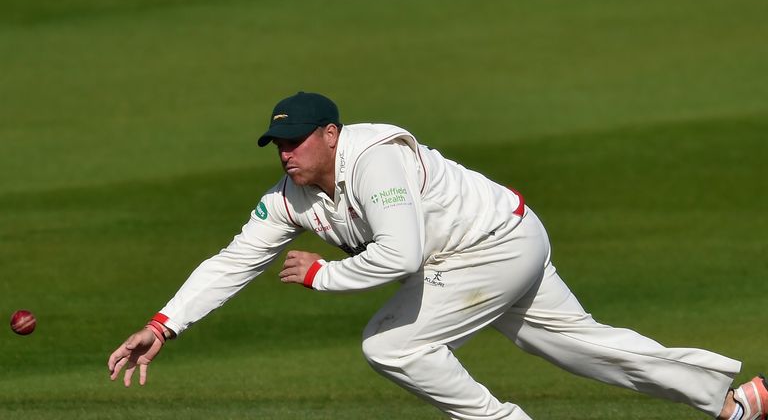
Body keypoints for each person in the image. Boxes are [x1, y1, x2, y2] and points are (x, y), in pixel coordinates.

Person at [108, 91, 766, 420]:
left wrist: (324, 276)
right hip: (497, 246)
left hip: (493, 249)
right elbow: (232, 261)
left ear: (331, 134)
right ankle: (735, 404)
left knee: (389, 346)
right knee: (578, 346)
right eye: (278, 145)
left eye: (299, 142)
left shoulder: (375, 160)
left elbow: (400, 253)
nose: (287, 154)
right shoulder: (291, 197)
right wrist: (164, 323)